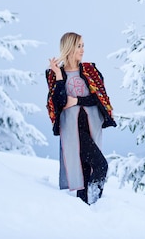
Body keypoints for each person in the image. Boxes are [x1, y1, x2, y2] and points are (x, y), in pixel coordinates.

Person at [46, 32, 116, 205]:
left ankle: (90, 208)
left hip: (91, 127)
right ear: (69, 48)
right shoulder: (54, 74)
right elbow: (59, 103)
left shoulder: (90, 70)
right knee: (101, 165)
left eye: (83, 45)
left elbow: (99, 99)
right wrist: (60, 76)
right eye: (79, 46)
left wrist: (77, 100)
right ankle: (96, 202)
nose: (82, 49)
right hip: (72, 130)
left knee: (87, 172)